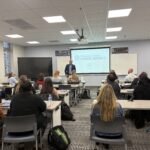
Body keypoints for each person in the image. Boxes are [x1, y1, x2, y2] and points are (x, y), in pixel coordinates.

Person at [91, 84, 123, 149]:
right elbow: (123, 121)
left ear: (101, 93)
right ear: (113, 94)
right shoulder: (118, 106)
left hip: (99, 133)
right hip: (117, 134)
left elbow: (92, 121)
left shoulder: (95, 107)